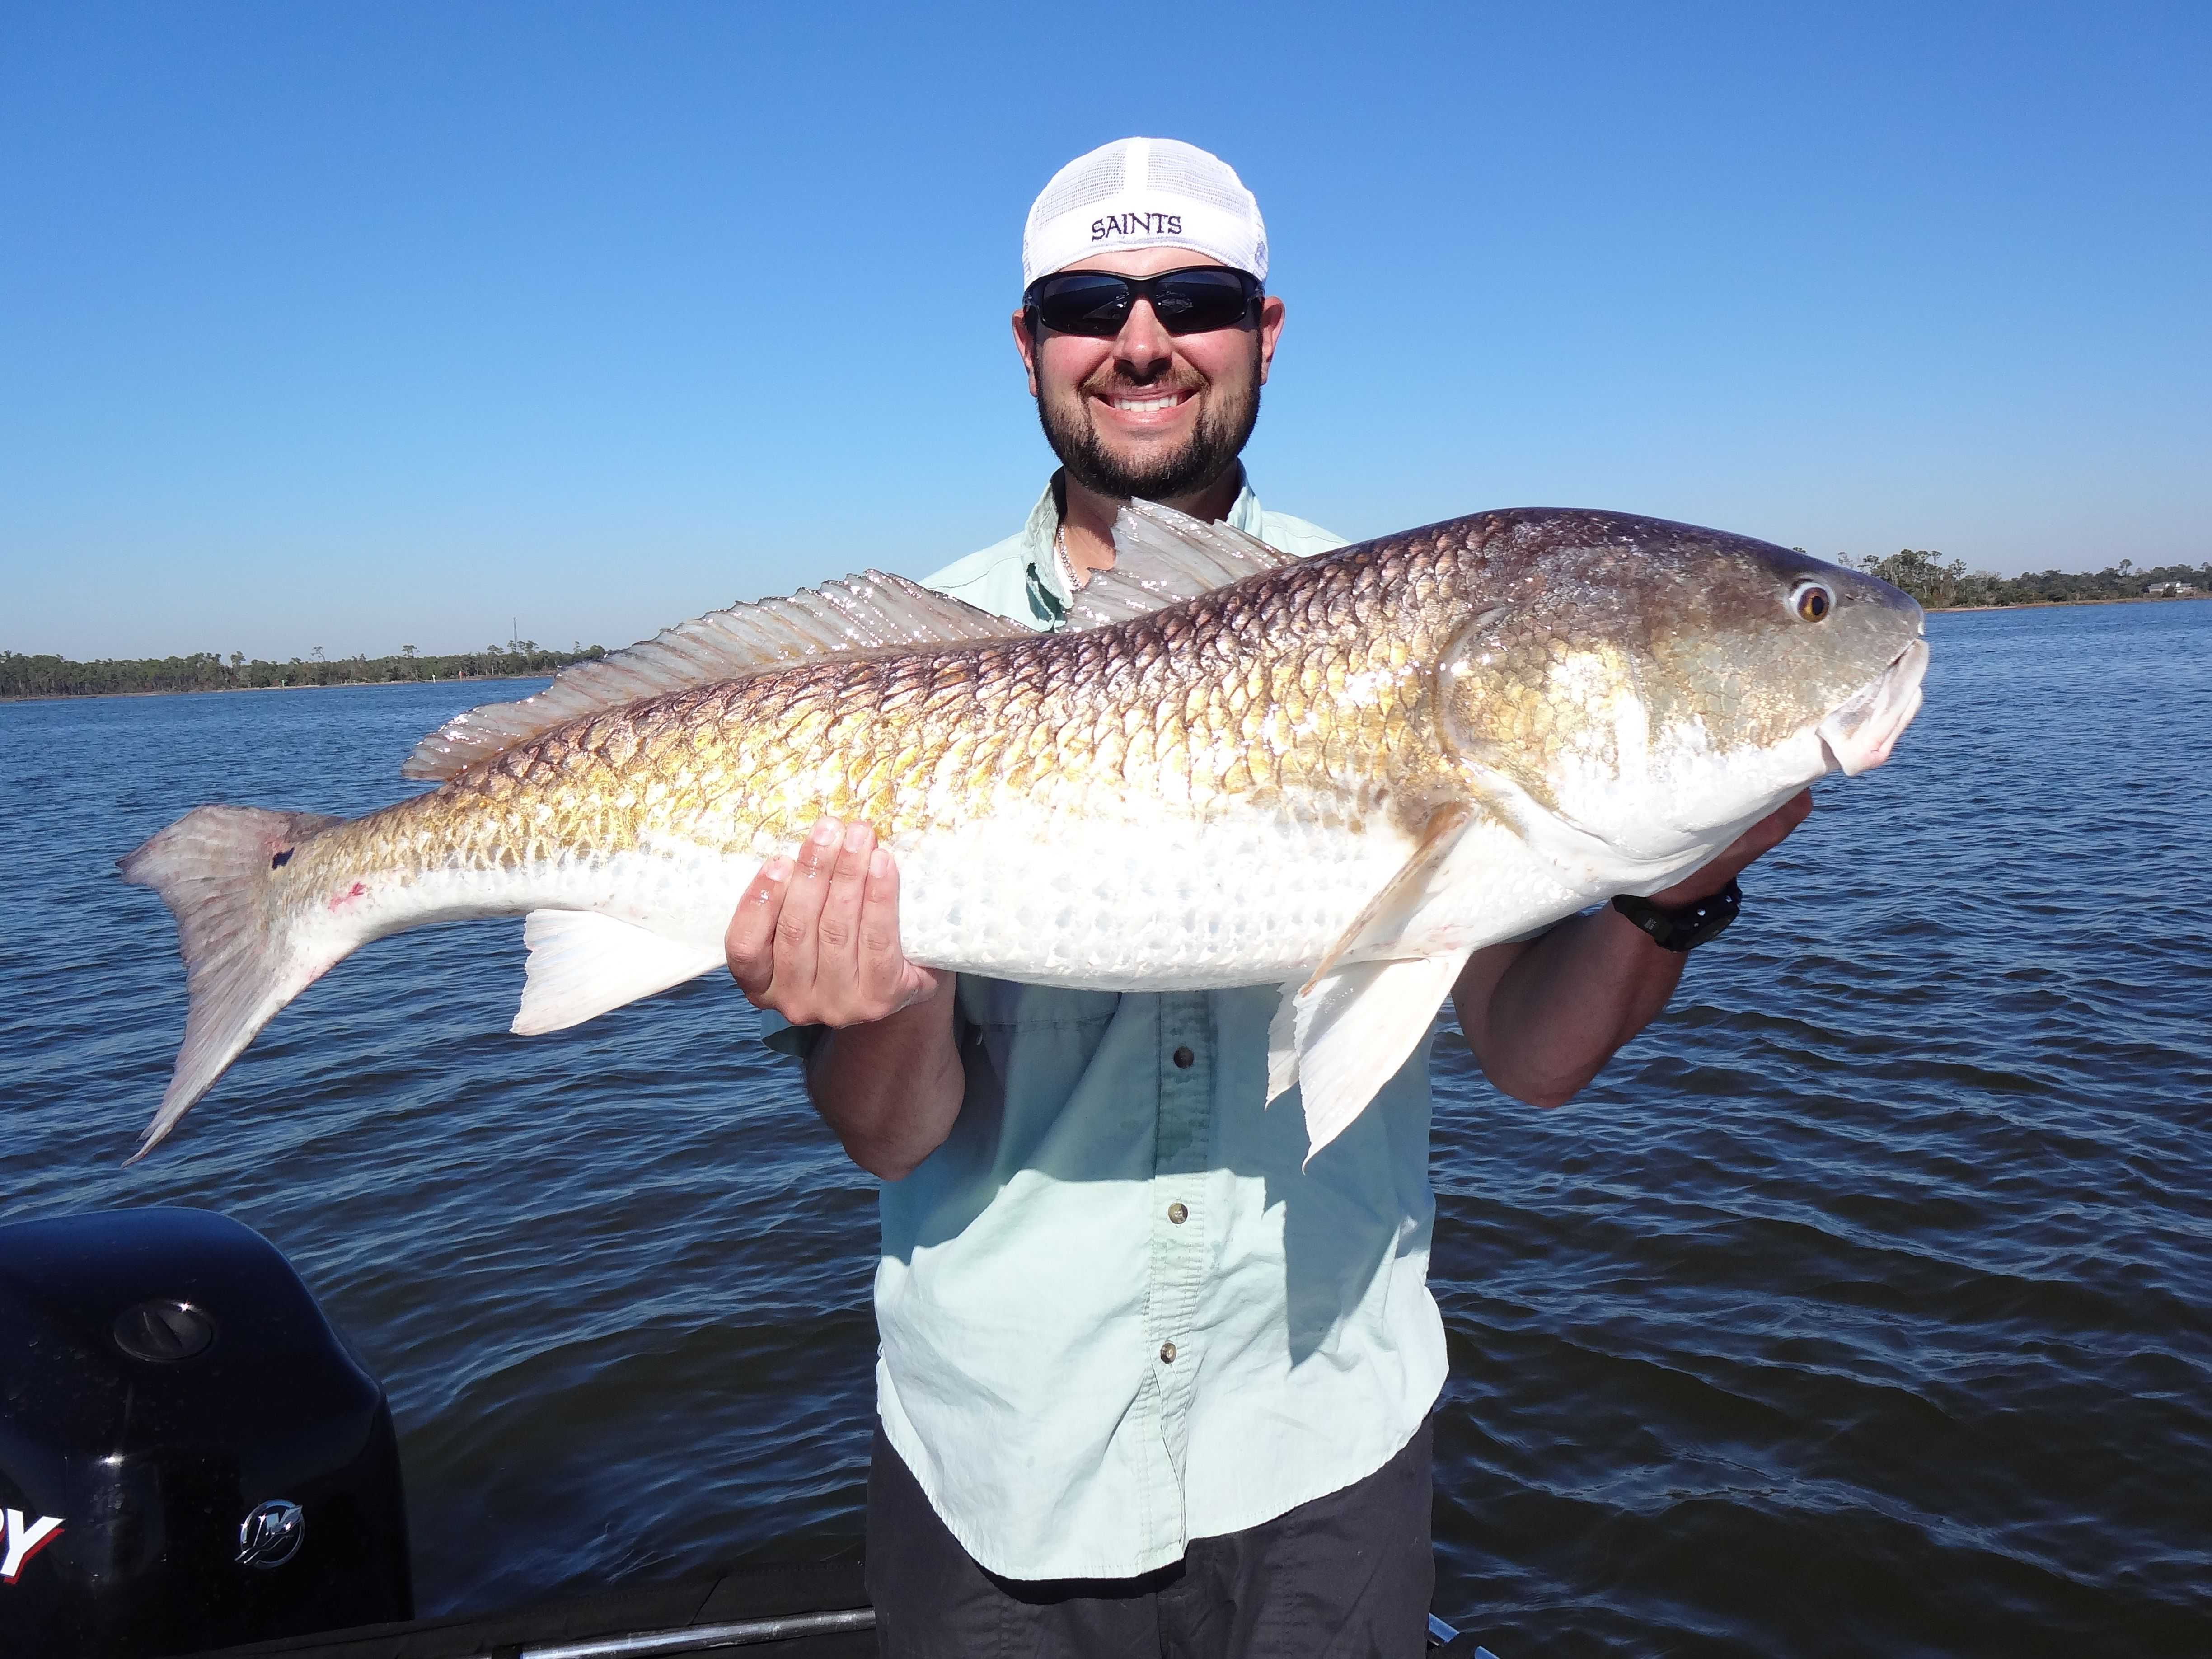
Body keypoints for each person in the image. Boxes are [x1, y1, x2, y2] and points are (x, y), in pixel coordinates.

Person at [723, 137, 1809, 1657]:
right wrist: (877, 992)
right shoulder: (882, 676)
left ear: (1267, 329)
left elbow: (1534, 1058)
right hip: (1001, 1469)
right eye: (1093, 301)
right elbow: (889, 1135)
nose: (1145, 341)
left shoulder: (1413, 629)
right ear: (1033, 344)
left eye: (1198, 297)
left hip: (1327, 1450)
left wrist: (1671, 890)